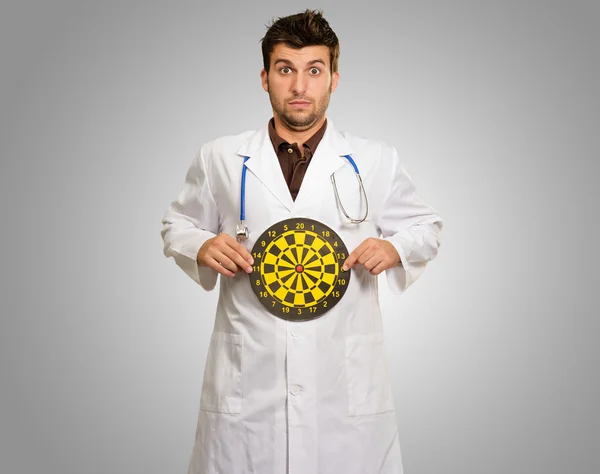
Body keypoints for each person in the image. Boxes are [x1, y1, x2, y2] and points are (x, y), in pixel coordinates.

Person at [160, 8, 443, 474]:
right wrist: (203, 246)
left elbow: (426, 227)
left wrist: (395, 249)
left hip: (344, 392)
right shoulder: (222, 158)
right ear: (264, 77)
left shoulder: (374, 159)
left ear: (334, 78)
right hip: (247, 391)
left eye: (314, 71)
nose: (299, 87)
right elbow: (177, 225)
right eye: (285, 70)